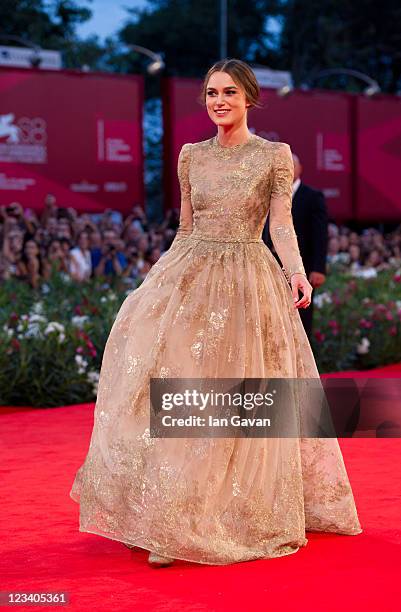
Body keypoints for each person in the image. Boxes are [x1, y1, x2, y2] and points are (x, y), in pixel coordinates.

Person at [70, 58, 361, 568]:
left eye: (228, 92)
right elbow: (185, 228)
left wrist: (296, 270)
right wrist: (156, 281)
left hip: (248, 280)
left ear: (249, 97)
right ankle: (171, 519)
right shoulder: (189, 156)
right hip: (191, 274)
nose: (218, 101)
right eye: (210, 93)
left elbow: (282, 226)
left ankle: (228, 511)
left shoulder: (273, 156)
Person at [262, 152, 328, 339]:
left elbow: (320, 235)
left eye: (290, 166)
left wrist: (318, 268)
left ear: (299, 169)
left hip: (302, 267)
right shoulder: (267, 195)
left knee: (300, 318)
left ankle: (301, 366)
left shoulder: (313, 197)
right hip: (269, 265)